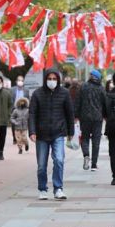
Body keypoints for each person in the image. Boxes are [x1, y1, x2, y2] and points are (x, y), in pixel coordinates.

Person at [29, 69, 74, 200]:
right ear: (45, 79)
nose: (52, 81)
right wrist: (32, 131)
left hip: (58, 133)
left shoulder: (64, 93)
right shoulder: (37, 94)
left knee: (59, 160)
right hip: (41, 134)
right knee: (42, 165)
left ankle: (58, 188)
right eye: (50, 78)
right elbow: (32, 114)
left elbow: (69, 114)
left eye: (55, 79)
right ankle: (42, 189)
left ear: (58, 80)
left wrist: (71, 132)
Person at [74, 70, 106, 172]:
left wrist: (76, 115)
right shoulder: (101, 88)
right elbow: (105, 104)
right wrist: (105, 116)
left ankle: (86, 155)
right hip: (97, 118)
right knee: (96, 141)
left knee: (85, 138)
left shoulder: (83, 87)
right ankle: (94, 164)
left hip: (85, 117)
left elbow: (77, 102)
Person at [10, 74, 30, 149]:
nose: (20, 82)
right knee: (14, 124)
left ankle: (24, 138)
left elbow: (28, 99)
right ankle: (15, 138)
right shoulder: (12, 90)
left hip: (23, 108)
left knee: (23, 122)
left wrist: (27, 107)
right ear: (16, 81)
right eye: (19, 80)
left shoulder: (26, 90)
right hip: (14, 108)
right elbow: (10, 99)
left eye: (21, 80)